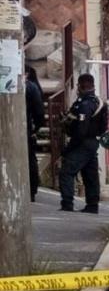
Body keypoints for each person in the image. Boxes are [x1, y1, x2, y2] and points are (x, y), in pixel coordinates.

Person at [59, 74, 105, 213]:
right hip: (92, 142)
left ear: (81, 85)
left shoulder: (85, 104)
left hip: (83, 143)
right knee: (90, 173)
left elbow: (81, 130)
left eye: (79, 86)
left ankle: (67, 203)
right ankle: (92, 205)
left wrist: (68, 149)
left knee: (66, 171)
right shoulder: (96, 102)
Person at [25, 67, 45, 202]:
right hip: (26, 129)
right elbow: (39, 113)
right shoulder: (32, 88)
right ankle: (31, 190)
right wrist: (35, 129)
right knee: (30, 160)